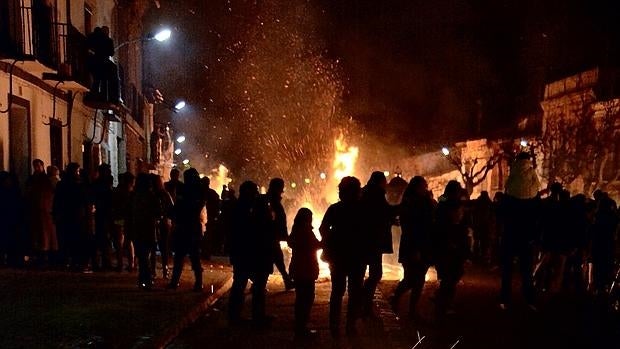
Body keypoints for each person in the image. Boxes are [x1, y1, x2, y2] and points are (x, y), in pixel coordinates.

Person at [319, 176, 366, 337]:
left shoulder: (335, 208)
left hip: (338, 257)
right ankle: (350, 325)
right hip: (356, 257)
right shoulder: (362, 209)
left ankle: (334, 326)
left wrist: (330, 241)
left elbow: (323, 228)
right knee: (354, 292)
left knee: (337, 291)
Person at [228, 181, 274, 326]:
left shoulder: (238, 207)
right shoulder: (247, 209)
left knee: (241, 285)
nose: (255, 195)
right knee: (254, 286)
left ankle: (237, 316)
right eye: (254, 192)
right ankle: (254, 317)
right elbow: (261, 228)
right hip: (249, 252)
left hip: (242, 252)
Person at [499, 152, 541, 310]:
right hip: (527, 236)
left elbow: (502, 212)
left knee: (507, 269)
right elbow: (538, 215)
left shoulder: (511, 181)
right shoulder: (533, 181)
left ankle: (504, 298)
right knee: (526, 270)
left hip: (510, 234)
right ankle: (530, 300)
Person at [390, 176, 435, 319]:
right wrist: (415, 249)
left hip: (423, 244)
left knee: (419, 279)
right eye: (423, 186)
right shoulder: (410, 203)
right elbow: (411, 227)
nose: (425, 188)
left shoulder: (423, 202)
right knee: (411, 278)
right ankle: (396, 297)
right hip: (413, 245)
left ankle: (412, 310)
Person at [360, 171, 396, 317]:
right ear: (380, 181)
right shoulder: (376, 193)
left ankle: (362, 303)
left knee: (362, 272)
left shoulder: (365, 192)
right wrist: (401, 208)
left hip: (363, 239)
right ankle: (365, 303)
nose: (386, 184)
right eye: (384, 181)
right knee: (375, 274)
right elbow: (382, 211)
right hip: (373, 239)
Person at [433, 180, 470, 319]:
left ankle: (441, 300)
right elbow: (455, 224)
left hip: (447, 245)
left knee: (450, 276)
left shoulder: (443, 201)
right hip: (452, 245)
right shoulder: (452, 204)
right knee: (451, 276)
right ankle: (443, 304)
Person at [168, 168, 206, 291]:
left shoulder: (190, 191)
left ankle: (179, 282)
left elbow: (179, 208)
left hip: (188, 227)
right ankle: (196, 283)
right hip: (190, 227)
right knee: (190, 257)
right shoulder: (196, 191)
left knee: (186, 257)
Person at [288, 207, 321, 338]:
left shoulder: (296, 231)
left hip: (298, 268)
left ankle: (300, 326)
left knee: (301, 297)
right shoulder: (306, 231)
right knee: (306, 298)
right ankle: (301, 328)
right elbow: (315, 245)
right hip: (306, 269)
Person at [126, 174, 161, 289]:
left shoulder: (133, 196)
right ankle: (146, 279)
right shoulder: (151, 196)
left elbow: (129, 212)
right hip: (148, 228)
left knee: (142, 256)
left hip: (138, 228)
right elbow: (158, 212)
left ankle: (143, 279)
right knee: (145, 255)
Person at [53, 163, 90, 271]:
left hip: (67, 216)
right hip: (77, 216)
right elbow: (85, 201)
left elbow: (57, 201)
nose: (78, 173)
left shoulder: (62, 185)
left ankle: (68, 260)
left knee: (67, 239)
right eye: (77, 171)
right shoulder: (79, 185)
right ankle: (76, 260)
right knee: (76, 239)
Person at [25, 159, 57, 267]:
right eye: (35, 166)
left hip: (44, 210)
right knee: (38, 235)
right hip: (35, 211)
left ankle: (46, 256)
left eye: (39, 166)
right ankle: (39, 256)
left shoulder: (46, 180)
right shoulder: (32, 179)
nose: (37, 168)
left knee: (45, 235)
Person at [266, 178, 294, 290]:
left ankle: (287, 280)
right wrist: (284, 236)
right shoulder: (272, 202)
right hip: (269, 237)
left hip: (271, 236)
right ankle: (258, 284)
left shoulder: (272, 200)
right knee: (275, 258)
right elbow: (276, 221)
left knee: (277, 258)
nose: (282, 190)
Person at [91, 164, 114, 271]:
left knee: (102, 238)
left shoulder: (97, 184)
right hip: (103, 214)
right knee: (104, 238)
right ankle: (104, 262)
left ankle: (101, 261)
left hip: (102, 213)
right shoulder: (102, 184)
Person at [111, 172, 135, 271]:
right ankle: (131, 263)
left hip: (120, 217)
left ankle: (121, 263)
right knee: (128, 241)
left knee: (119, 241)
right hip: (128, 218)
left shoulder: (119, 191)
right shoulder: (132, 193)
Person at [152, 174, 174, 279]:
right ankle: (164, 269)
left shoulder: (155, 194)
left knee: (157, 247)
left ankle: (155, 270)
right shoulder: (164, 194)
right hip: (163, 223)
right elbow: (172, 208)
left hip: (158, 223)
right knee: (163, 247)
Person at [0, 171, 23, 267]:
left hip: (12, 219)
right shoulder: (4, 191)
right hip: (5, 219)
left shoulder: (14, 191)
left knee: (12, 240)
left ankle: (13, 259)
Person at [200, 176, 221, 260]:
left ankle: (205, 252)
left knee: (206, 236)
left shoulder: (201, 193)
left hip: (207, 218)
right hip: (208, 218)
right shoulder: (212, 193)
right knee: (207, 236)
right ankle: (206, 252)